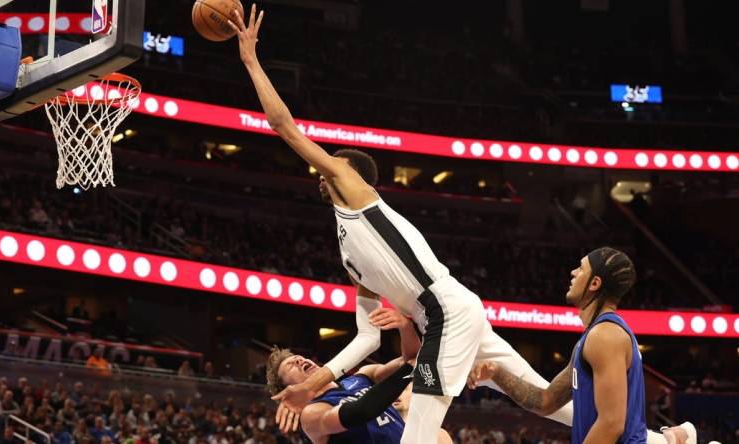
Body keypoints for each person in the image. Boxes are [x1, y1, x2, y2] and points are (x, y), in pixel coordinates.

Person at [228, 7, 572, 442]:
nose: (326, 167)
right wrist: (316, 383)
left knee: (419, 437)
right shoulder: (350, 253)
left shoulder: (355, 192)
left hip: (445, 313)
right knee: (543, 399)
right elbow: (368, 338)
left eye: (336, 162)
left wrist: (250, 60)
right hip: (445, 316)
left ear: (352, 174)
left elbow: (284, 126)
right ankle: (664, 439)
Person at [468, 247, 696, 444]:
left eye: (581, 269)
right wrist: (497, 373)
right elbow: (545, 401)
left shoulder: (605, 336)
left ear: (595, 283)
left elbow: (611, 423)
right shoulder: (594, 337)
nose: (573, 273)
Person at [266, 307, 452, 443]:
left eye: (300, 358)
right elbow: (361, 411)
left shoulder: (362, 376)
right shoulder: (312, 414)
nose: (299, 361)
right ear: (288, 389)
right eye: (291, 365)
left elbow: (410, 358)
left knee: (440, 436)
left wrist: (406, 327)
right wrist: (409, 368)